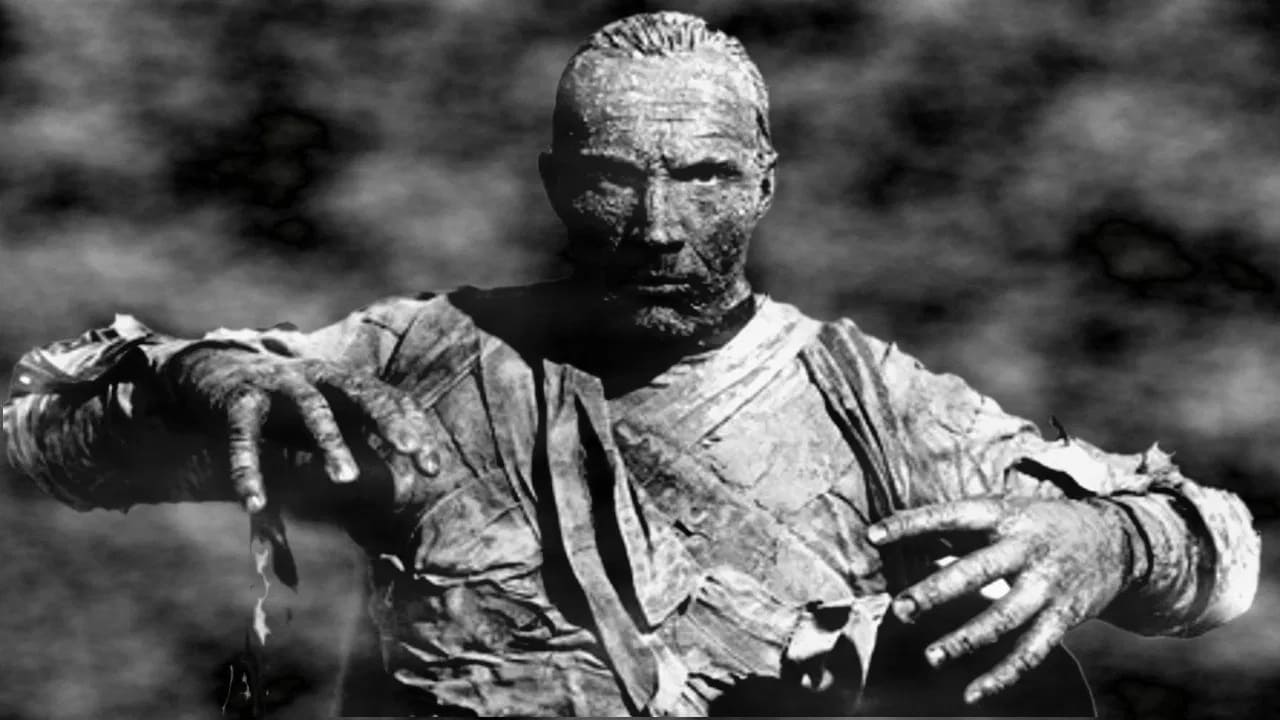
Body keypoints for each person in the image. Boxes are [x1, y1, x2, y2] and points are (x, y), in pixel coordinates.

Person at [2, 11, 1260, 718]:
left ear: (761, 185)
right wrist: (188, 381)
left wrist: (1103, 544)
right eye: (612, 179)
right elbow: (41, 444)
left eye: (702, 177)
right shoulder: (419, 359)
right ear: (557, 183)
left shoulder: (871, 400)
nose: (656, 226)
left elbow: (1216, 558)